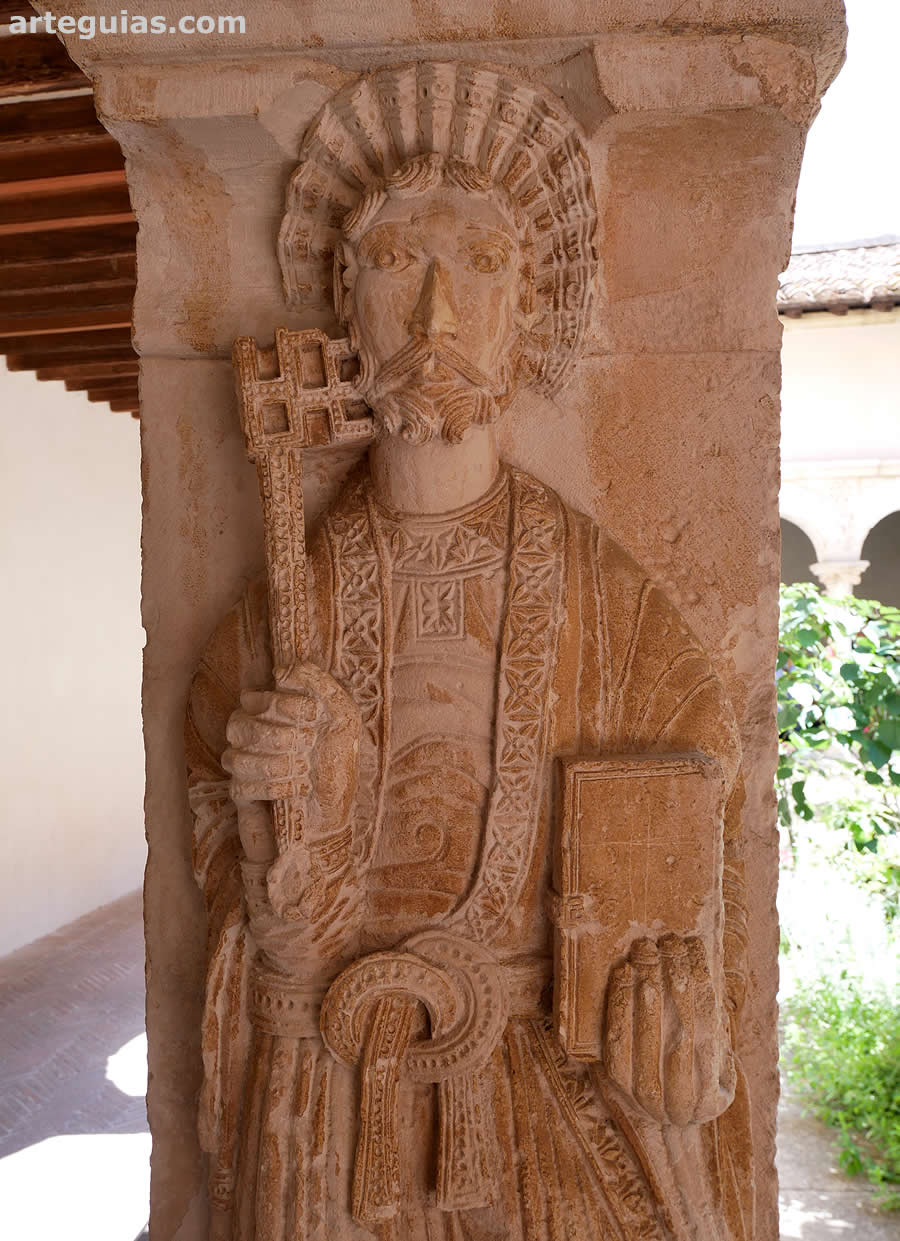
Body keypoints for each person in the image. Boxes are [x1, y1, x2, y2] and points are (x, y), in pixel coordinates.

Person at [186, 64, 754, 1241]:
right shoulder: (262, 632)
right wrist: (294, 839)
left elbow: (685, 859)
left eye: (484, 267)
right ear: (343, 299)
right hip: (330, 1108)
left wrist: (672, 1024)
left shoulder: (621, 613)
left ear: (531, 307)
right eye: (398, 264)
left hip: (538, 1102)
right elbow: (233, 889)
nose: (437, 315)